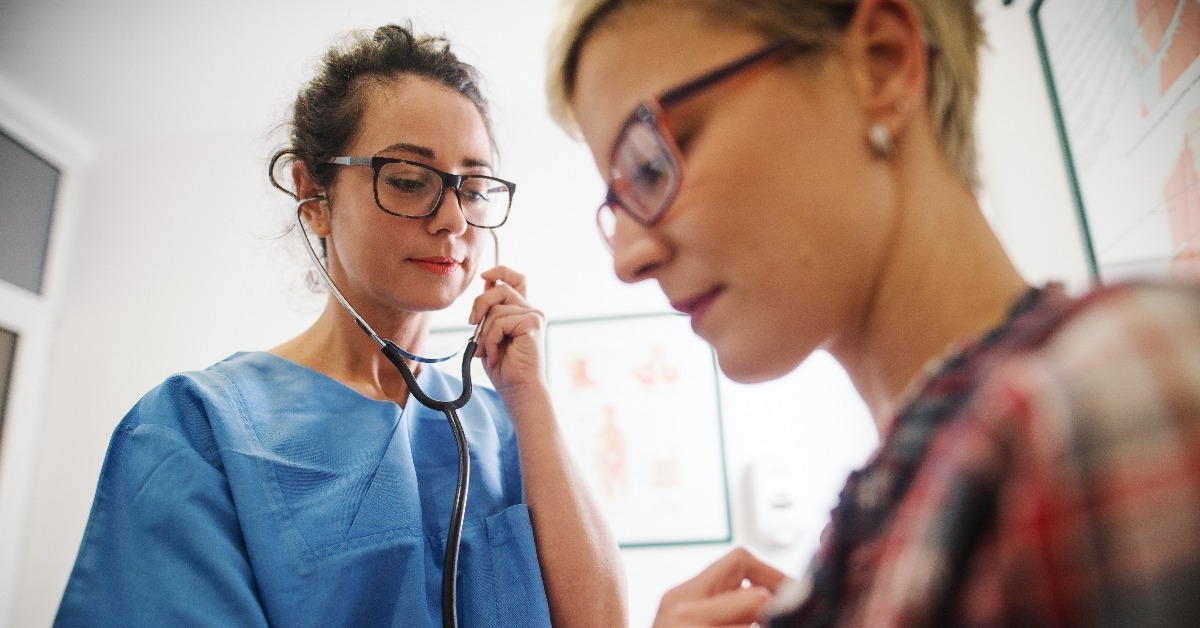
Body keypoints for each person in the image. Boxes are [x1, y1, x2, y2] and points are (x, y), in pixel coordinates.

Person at [545, 0, 1200, 625]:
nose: (627, 259)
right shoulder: (895, 503)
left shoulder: (1099, 395)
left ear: (881, 64)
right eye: (618, 200)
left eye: (653, 163)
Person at [55, 23, 625, 627]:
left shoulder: (508, 429)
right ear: (314, 195)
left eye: (475, 189)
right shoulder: (199, 428)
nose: (454, 219)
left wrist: (531, 398)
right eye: (409, 181)